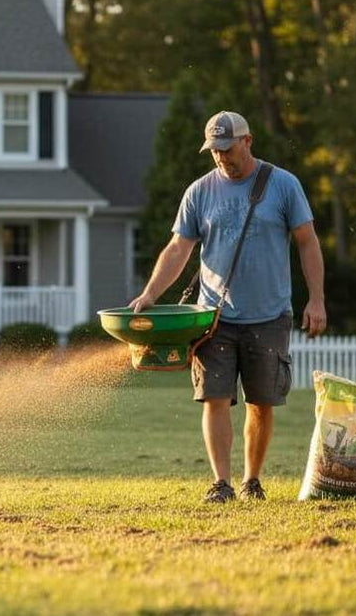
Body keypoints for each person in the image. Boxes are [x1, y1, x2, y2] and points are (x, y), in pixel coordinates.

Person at [129, 110, 326, 503]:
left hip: (270, 315)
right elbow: (178, 248)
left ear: (247, 141)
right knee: (214, 398)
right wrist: (150, 294)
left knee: (261, 403)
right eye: (215, 150)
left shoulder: (283, 185)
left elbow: (307, 242)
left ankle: (252, 480)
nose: (221, 157)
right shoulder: (199, 192)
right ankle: (221, 483)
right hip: (213, 317)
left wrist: (316, 299)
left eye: (227, 148)